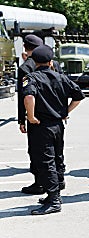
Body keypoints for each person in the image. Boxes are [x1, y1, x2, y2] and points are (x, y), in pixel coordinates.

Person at [21, 45, 85, 215]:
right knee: (57, 158)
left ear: (35, 62)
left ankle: (54, 199)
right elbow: (79, 96)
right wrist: (65, 112)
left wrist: (31, 116)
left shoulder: (31, 78)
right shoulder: (61, 77)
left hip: (41, 126)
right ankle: (54, 194)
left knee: (45, 161)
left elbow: (28, 97)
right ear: (50, 62)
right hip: (57, 124)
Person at [17, 34, 45, 195]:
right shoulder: (52, 62)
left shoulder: (25, 67)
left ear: (26, 48)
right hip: (52, 114)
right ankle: (59, 180)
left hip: (34, 114)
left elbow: (23, 96)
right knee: (54, 149)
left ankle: (39, 182)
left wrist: (22, 118)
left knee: (35, 150)